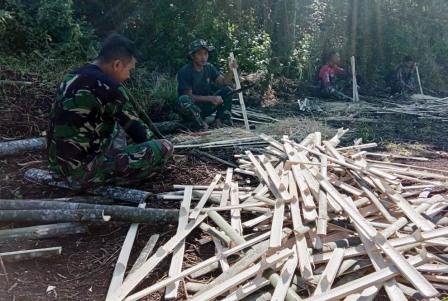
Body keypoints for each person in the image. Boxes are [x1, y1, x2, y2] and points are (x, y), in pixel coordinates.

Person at [47, 33, 173, 189]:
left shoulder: (71, 76)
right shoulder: (110, 87)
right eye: (129, 70)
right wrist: (158, 144)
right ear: (117, 65)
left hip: (57, 168)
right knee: (164, 147)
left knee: (115, 125)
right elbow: (141, 134)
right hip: (80, 175)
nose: (128, 76)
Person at [176, 39, 237, 130]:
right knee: (184, 99)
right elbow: (189, 96)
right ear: (192, 56)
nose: (203, 57)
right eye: (200, 54)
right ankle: (200, 123)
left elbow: (223, 82)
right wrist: (210, 98)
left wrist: (231, 71)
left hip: (206, 106)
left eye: (205, 53)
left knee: (227, 90)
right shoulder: (185, 71)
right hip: (192, 109)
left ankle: (219, 120)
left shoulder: (209, 67)